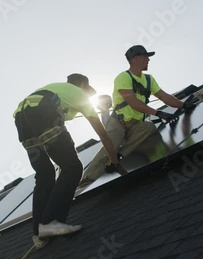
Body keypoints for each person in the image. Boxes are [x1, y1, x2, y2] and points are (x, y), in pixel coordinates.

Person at [13, 73, 119, 249]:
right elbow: (103, 134)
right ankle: (51, 223)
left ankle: (39, 233)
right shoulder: (80, 95)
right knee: (72, 167)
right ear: (83, 85)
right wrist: (114, 160)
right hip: (44, 111)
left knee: (45, 174)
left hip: (21, 117)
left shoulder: (55, 88)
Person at [79, 45, 195, 187]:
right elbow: (132, 102)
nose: (148, 60)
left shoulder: (148, 79)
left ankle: (118, 157)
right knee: (112, 143)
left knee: (149, 127)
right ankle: (87, 180)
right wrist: (158, 113)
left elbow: (164, 97)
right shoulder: (123, 77)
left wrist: (183, 105)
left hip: (136, 125)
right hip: (118, 122)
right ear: (137, 58)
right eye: (146, 57)